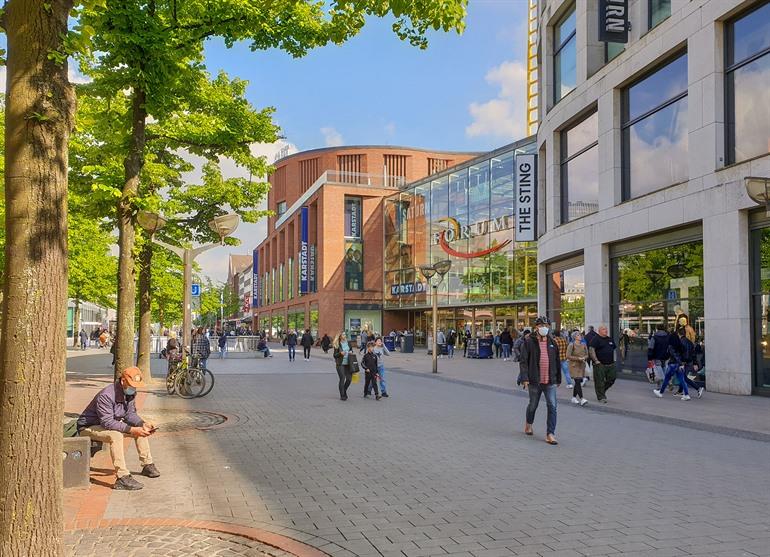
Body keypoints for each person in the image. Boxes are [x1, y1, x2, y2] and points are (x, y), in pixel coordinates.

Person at [77, 367, 159, 490]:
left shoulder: (129, 393)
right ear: (123, 381)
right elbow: (107, 423)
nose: (134, 388)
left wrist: (142, 424)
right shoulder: (107, 395)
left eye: (136, 386)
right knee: (116, 435)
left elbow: (130, 414)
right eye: (132, 385)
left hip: (106, 424)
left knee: (140, 429)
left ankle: (147, 465)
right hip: (89, 426)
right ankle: (122, 477)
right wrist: (131, 430)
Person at [519, 316, 560, 445]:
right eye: (541, 325)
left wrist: (558, 378)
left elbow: (557, 362)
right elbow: (524, 361)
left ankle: (550, 434)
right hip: (534, 380)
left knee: (552, 406)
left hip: (550, 381)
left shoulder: (552, 343)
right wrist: (525, 378)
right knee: (533, 405)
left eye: (546, 326)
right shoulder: (529, 342)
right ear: (536, 327)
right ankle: (528, 424)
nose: (544, 328)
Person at [654, 326, 695, 401]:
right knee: (682, 379)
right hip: (679, 364)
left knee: (667, 378)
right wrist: (681, 364)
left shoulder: (671, 346)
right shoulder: (680, 345)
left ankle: (660, 392)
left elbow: (674, 355)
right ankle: (686, 394)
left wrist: (679, 363)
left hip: (673, 364)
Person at [589, 325, 617, 403]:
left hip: (610, 364)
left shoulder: (610, 339)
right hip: (600, 364)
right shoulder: (596, 339)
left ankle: (601, 390)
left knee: (612, 378)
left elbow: (614, 350)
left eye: (606, 329)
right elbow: (591, 349)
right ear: (599, 331)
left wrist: (614, 360)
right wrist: (596, 360)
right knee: (599, 381)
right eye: (604, 329)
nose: (606, 330)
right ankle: (601, 397)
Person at [567, 331, 589, 406]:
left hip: (581, 365)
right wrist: (578, 358)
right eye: (578, 335)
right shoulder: (571, 345)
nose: (580, 336)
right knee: (577, 380)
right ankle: (582, 398)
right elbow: (568, 356)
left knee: (578, 381)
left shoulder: (583, 345)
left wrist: (584, 358)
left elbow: (587, 354)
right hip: (574, 365)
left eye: (580, 335)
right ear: (574, 337)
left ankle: (573, 397)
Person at [333, 333, 353, 400]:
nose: (345, 336)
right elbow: (335, 355)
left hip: (348, 363)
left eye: (345, 334)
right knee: (342, 378)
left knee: (349, 379)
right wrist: (340, 353)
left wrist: (351, 352)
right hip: (340, 364)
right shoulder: (337, 344)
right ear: (340, 336)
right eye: (343, 335)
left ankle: (344, 390)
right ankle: (342, 395)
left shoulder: (348, 343)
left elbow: (351, 350)